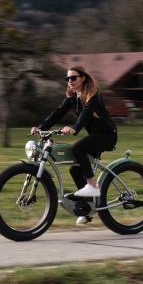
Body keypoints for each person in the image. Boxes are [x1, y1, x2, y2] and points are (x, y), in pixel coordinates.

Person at [31, 66, 118, 224]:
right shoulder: (72, 98)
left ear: (83, 78)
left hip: (108, 135)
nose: (69, 81)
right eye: (67, 79)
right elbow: (58, 112)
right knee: (75, 169)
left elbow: (86, 113)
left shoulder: (92, 95)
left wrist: (74, 128)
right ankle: (86, 207)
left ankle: (92, 185)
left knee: (78, 148)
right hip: (96, 136)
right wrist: (41, 128)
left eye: (73, 78)